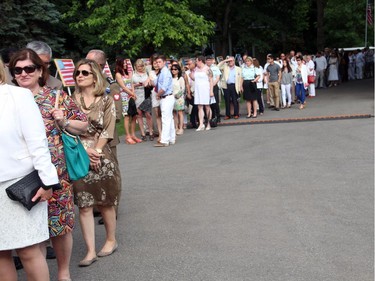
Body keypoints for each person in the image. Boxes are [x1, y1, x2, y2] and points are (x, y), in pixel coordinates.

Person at [9, 48, 88, 281]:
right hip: (21, 174)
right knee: (34, 230)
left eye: (29, 68)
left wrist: (62, 119)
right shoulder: (8, 100)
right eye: (18, 70)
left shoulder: (56, 96)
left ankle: (63, 273)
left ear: (40, 70)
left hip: (55, 173)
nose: (23, 73)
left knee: (60, 225)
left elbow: (83, 125)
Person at [0, 58, 59, 281]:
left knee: (28, 249)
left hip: (19, 186)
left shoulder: (18, 96)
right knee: (0, 252)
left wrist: (47, 182)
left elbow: (38, 143)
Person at [72, 59, 121, 266]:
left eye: (84, 72)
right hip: (79, 155)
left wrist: (96, 150)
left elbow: (109, 129)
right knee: (84, 204)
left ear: (95, 77)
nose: (79, 76)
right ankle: (90, 250)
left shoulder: (106, 99)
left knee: (105, 201)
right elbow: (66, 128)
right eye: (77, 73)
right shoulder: (71, 100)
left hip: (103, 155)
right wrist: (86, 152)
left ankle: (111, 240)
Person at [115, 57, 140, 144]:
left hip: (131, 96)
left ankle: (133, 135)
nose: (125, 65)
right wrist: (131, 93)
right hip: (125, 96)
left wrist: (133, 92)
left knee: (134, 115)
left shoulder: (128, 73)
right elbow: (123, 87)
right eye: (123, 63)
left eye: (126, 63)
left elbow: (131, 84)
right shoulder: (118, 74)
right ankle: (128, 136)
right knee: (127, 116)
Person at [154, 55, 175, 147]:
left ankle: (165, 140)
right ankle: (171, 138)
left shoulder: (165, 72)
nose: (158, 64)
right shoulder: (161, 72)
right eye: (157, 62)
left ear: (164, 62)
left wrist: (158, 95)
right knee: (169, 118)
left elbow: (164, 87)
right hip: (165, 97)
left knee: (165, 119)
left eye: (159, 62)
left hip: (167, 97)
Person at [189, 55, 213, 131]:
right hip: (198, 89)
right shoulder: (195, 69)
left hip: (206, 89)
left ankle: (208, 123)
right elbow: (193, 78)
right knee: (200, 106)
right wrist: (191, 72)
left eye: (196, 61)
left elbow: (211, 80)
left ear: (200, 61)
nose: (196, 63)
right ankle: (201, 123)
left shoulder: (207, 69)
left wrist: (211, 91)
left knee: (207, 106)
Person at [132, 59, 153, 141]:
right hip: (137, 94)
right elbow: (131, 85)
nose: (140, 68)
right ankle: (142, 133)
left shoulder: (147, 73)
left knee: (148, 114)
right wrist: (137, 85)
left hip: (146, 94)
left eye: (141, 66)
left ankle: (151, 132)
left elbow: (151, 83)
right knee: (139, 114)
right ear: (135, 67)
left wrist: (146, 84)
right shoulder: (133, 75)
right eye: (138, 66)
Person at [149, 54, 162, 141]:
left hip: (164, 94)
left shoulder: (164, 71)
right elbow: (153, 83)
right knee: (157, 114)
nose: (156, 64)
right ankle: (160, 133)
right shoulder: (151, 73)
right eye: (154, 63)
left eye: (157, 63)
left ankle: (166, 132)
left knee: (164, 114)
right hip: (155, 94)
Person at [206, 56, 222, 123]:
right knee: (209, 103)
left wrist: (213, 83)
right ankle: (211, 117)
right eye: (207, 60)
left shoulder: (215, 68)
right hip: (207, 87)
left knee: (215, 102)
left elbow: (218, 77)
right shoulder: (205, 68)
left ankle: (218, 116)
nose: (208, 62)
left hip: (214, 86)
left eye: (209, 60)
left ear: (212, 61)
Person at [171, 63, 186, 135]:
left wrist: (177, 95)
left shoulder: (180, 78)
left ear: (178, 70)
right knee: (174, 113)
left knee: (180, 113)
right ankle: (176, 127)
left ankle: (181, 128)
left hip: (179, 98)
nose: (173, 71)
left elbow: (183, 88)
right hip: (172, 97)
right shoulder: (171, 79)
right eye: (172, 69)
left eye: (175, 69)